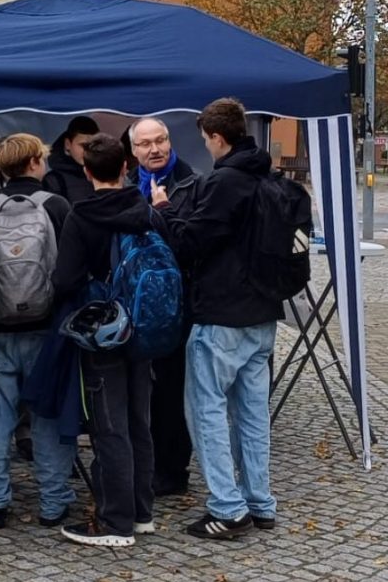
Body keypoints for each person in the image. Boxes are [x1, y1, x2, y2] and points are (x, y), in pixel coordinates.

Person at [151, 97, 281, 539]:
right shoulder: (266, 176)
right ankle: (260, 501)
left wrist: (164, 209)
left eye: (207, 139)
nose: (206, 146)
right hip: (262, 314)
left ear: (218, 138)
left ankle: (227, 507)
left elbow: (191, 244)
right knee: (252, 414)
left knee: (205, 410)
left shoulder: (225, 182)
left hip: (223, 313)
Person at [52, 133, 161, 547]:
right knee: (139, 422)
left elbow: (64, 279)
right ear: (125, 167)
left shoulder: (81, 217)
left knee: (109, 425)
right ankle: (142, 511)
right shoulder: (145, 210)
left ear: (86, 172)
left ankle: (116, 522)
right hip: (144, 327)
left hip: (103, 331)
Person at [0, 133, 76, 530]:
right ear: (35, 162)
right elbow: (69, 268)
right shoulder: (56, 206)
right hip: (45, 328)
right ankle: (53, 501)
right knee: (46, 415)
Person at [128, 117, 198, 496]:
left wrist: (165, 209)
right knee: (141, 391)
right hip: (136, 306)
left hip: (175, 307)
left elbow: (189, 246)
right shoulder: (128, 185)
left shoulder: (191, 184)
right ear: (134, 150)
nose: (155, 149)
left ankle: (173, 470)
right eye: (146, 144)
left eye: (161, 140)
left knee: (172, 391)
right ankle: (144, 463)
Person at [43, 116, 99, 203]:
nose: (88, 151)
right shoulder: (53, 181)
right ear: (68, 144)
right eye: (83, 146)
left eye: (93, 146)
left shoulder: (105, 175)